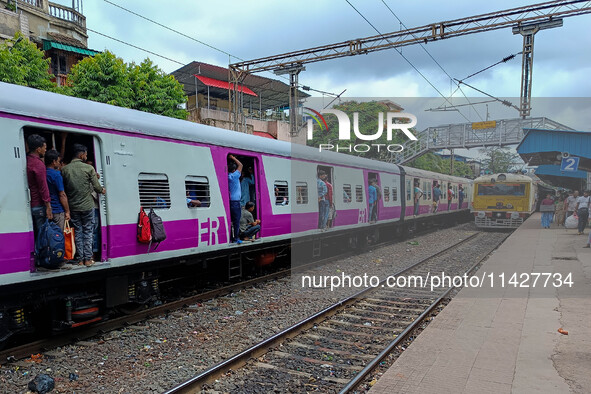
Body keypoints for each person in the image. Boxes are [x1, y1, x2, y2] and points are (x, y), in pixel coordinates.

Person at [62, 144, 106, 266]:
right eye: (86, 154)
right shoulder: (89, 168)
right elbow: (97, 188)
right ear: (81, 155)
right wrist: (102, 190)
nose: (86, 156)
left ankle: (80, 259)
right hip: (87, 206)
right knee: (88, 232)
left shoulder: (65, 169)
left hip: (73, 207)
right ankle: (88, 259)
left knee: (78, 232)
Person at [26, 134, 53, 244]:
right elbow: (43, 187)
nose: (45, 151)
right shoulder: (38, 164)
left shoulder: (27, 160)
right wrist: (48, 206)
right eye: (44, 148)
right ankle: (44, 259)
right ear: (38, 149)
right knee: (43, 234)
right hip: (39, 204)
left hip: (31, 202)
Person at [45, 149, 70, 231]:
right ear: (54, 161)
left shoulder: (43, 173)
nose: (59, 163)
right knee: (58, 236)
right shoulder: (56, 175)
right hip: (57, 209)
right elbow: (62, 194)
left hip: (46, 209)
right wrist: (67, 211)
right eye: (58, 161)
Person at [228, 155, 243, 244]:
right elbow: (241, 165)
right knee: (236, 221)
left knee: (231, 220)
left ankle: (230, 237)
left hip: (230, 201)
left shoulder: (228, 176)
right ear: (234, 170)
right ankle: (236, 238)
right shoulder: (235, 176)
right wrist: (232, 158)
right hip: (236, 202)